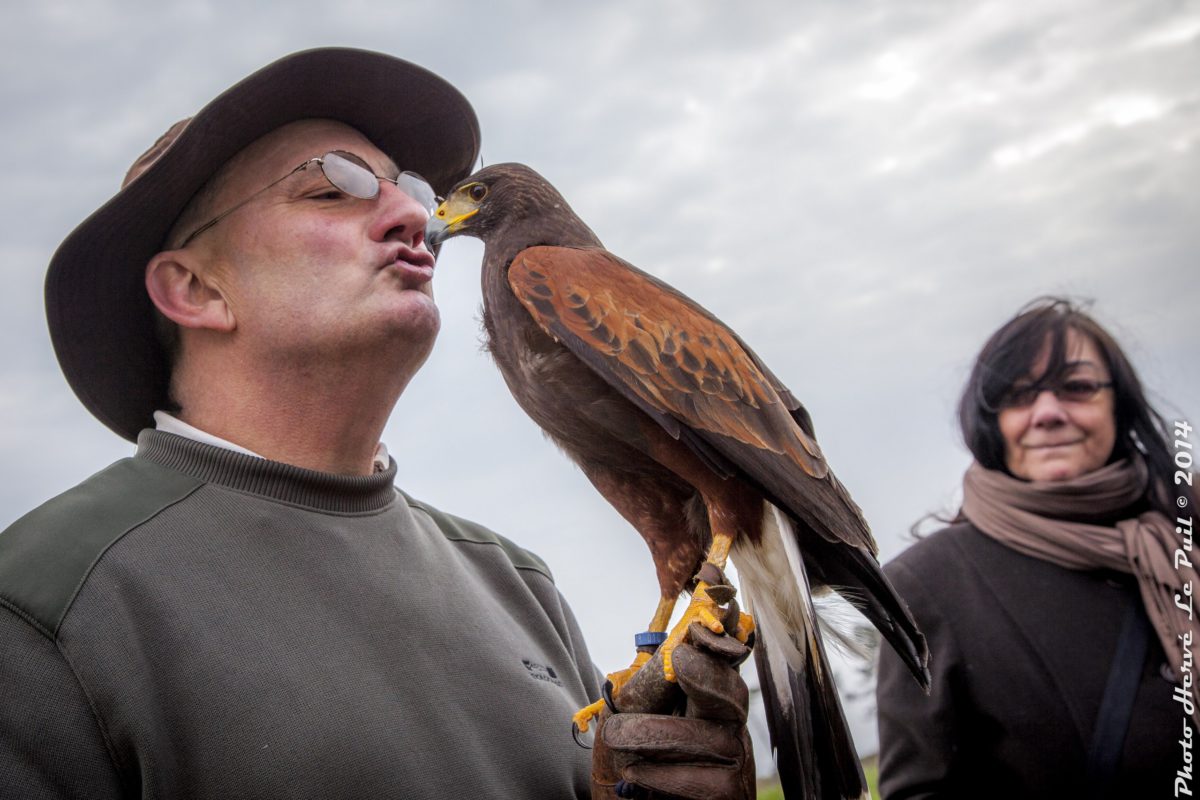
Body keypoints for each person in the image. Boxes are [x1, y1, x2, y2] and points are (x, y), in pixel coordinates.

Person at [0, 48, 755, 799]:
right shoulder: (41, 602)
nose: (414, 213)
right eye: (333, 188)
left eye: (413, 188)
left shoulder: (513, 581)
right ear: (195, 289)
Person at [876, 297, 1194, 798]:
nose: (1047, 413)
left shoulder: (1185, 525)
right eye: (1019, 395)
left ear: (1119, 403)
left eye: (1078, 387)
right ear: (992, 421)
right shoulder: (929, 585)